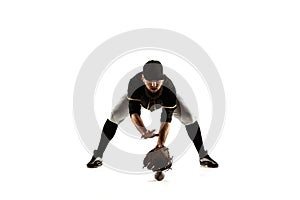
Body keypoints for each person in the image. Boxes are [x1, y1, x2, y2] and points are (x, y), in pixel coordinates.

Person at [87, 60, 218, 168]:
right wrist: (143, 131)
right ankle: (98, 155)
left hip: (165, 100)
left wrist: (160, 144)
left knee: (189, 117)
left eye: (158, 80)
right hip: (140, 99)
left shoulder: (169, 89)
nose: (154, 84)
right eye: (150, 80)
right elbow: (134, 111)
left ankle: (203, 156)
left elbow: (166, 119)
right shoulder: (134, 83)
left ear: (163, 78)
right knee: (114, 115)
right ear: (143, 78)